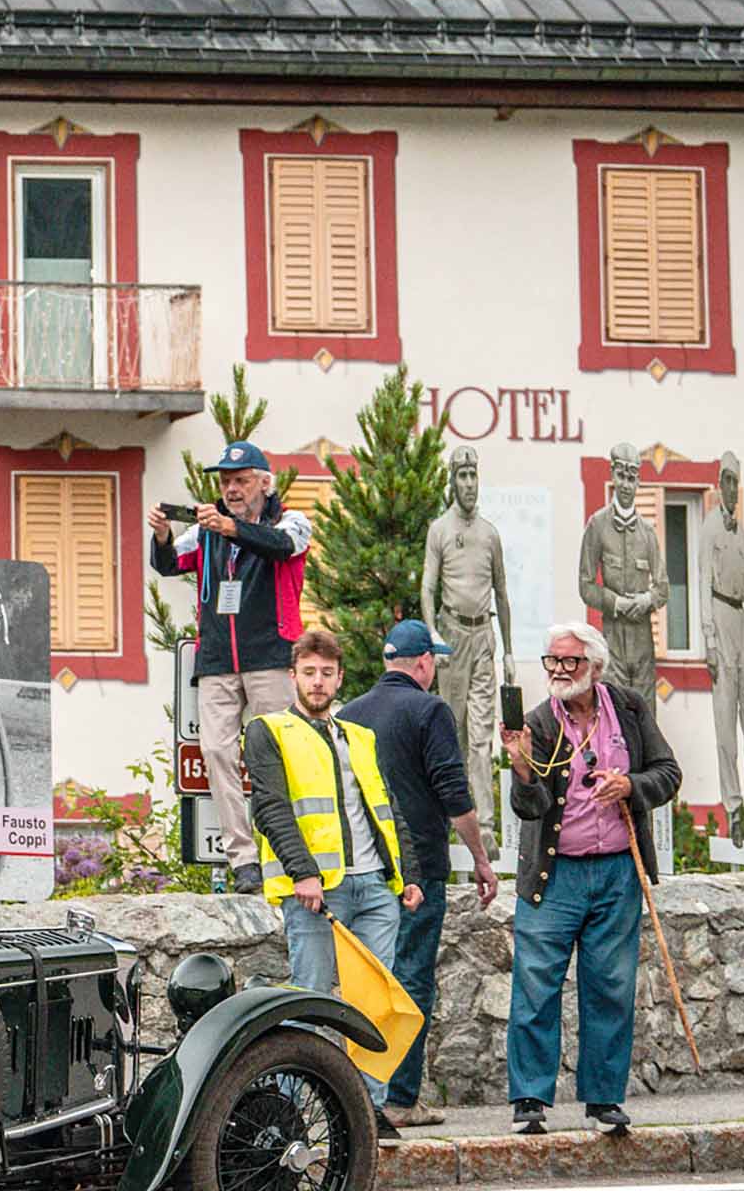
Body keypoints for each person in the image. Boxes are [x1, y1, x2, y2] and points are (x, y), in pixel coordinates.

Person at [500, 619, 682, 1136]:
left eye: (569, 662)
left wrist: (630, 785)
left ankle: (603, 1099)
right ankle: (530, 1099)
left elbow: (668, 774)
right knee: (536, 985)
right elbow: (530, 809)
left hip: (618, 870)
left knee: (611, 986)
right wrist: (522, 768)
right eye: (552, 661)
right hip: (554, 875)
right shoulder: (536, 721)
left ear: (595, 667)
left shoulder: (628, 708)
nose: (559, 670)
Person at [240, 628, 422, 1138]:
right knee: (310, 1000)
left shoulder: (360, 737)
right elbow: (270, 808)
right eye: (308, 673)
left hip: (374, 885)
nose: (317, 683)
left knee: (376, 1003)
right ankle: (291, 1116)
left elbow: (386, 809)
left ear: (340, 678)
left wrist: (407, 875)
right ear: (292, 676)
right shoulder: (268, 730)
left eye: (326, 673)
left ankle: (367, 1112)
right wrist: (303, 872)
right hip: (316, 891)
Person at [341, 620, 500, 1127]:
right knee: (410, 980)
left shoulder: (349, 713)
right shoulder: (430, 710)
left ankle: (357, 1097)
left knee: (365, 985)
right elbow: (454, 794)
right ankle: (400, 1100)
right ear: (425, 663)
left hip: (363, 869)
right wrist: (479, 857)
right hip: (420, 869)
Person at [151, 441, 314, 884]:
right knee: (216, 752)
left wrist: (232, 529)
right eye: (225, 482)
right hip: (218, 658)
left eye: (240, 480)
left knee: (275, 757)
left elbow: (282, 548)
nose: (231, 488)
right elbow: (170, 564)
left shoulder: (291, 521)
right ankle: (242, 859)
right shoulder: (207, 530)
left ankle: (282, 851)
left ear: (265, 482)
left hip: (270, 656)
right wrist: (163, 536)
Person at [420, 447, 513, 823]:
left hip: (483, 636)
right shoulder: (440, 529)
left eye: (474, 475)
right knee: (453, 729)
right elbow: (428, 587)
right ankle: (455, 817)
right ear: (452, 481)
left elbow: (502, 593)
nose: (470, 484)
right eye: (462, 476)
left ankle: (486, 823)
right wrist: (431, 634)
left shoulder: (490, 534)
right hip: (452, 634)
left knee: (481, 733)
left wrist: (508, 652)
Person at [701, 455, 744, 823]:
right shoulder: (710, 528)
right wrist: (709, 641)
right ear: (717, 484)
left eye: (734, 482)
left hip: (741, 623)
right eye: (725, 480)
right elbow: (702, 584)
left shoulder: (739, 531)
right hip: (721, 619)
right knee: (725, 720)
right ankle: (734, 804)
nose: (730, 489)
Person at [578, 446, 667, 701]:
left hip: (642, 640)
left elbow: (663, 588)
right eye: (621, 476)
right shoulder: (597, 526)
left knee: (644, 716)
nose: (626, 485)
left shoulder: (647, 533)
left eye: (632, 478)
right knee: (613, 712)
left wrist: (645, 601)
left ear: (638, 480)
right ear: (613, 476)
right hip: (612, 638)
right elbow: (585, 585)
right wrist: (616, 602)